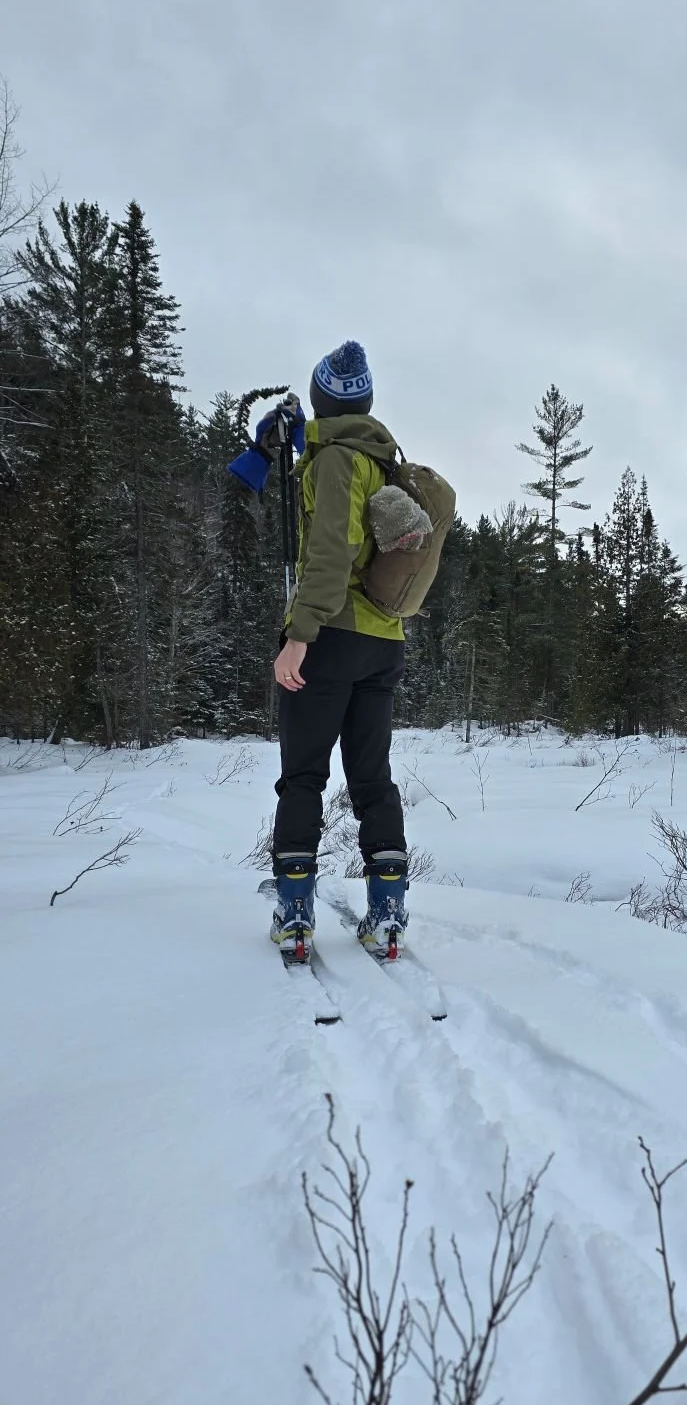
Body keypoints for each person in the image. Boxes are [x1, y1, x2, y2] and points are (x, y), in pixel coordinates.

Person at [268, 341, 409, 963]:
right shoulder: (381, 461)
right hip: (384, 643)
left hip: (331, 638)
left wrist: (299, 636)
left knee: (303, 776)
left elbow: (330, 552)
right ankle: (387, 913)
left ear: (323, 399)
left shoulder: (333, 463)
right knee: (372, 778)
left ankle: (295, 913)